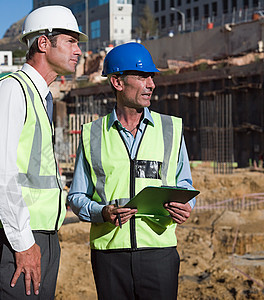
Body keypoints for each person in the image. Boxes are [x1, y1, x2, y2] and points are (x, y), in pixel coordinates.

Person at [0, 5, 87, 299]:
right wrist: (22, 243)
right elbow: (0, 173)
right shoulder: (11, 91)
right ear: (43, 43)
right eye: (71, 41)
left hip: (39, 233)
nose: (79, 51)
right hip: (17, 237)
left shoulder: (38, 96)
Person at [68, 42, 196, 300]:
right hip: (109, 255)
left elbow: (184, 185)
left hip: (159, 252)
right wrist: (101, 212)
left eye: (151, 77)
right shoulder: (93, 134)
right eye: (142, 76)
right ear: (117, 81)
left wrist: (185, 205)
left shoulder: (170, 129)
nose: (151, 84)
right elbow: (76, 196)